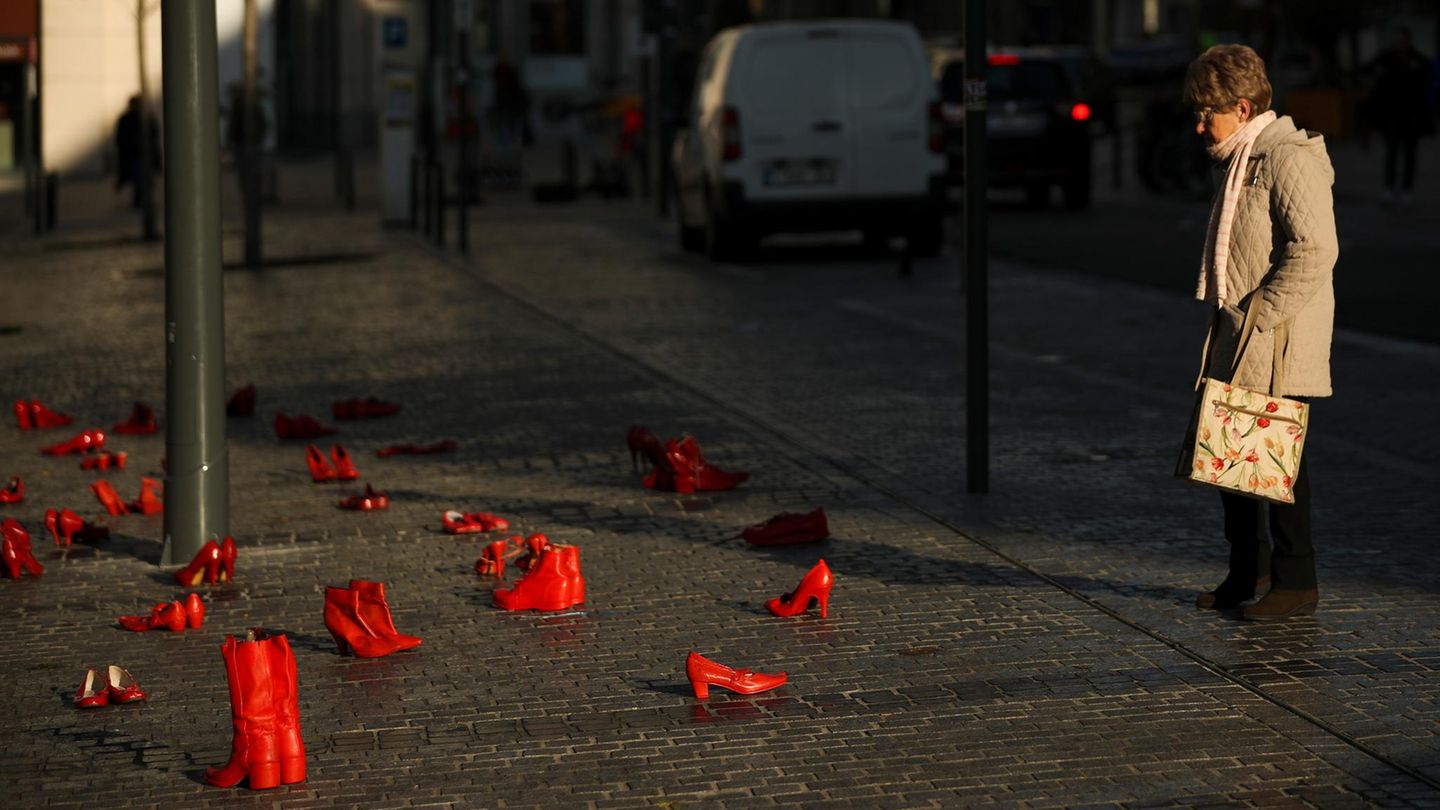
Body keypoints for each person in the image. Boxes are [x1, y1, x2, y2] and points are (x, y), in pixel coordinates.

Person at [1183, 44, 1338, 621]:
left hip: (1278, 337)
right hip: (1241, 331)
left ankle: (1297, 582)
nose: (1200, 125)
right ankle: (1248, 571)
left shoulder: (1284, 157)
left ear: (1243, 108)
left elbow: (1317, 249)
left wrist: (1261, 313)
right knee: (1234, 461)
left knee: (1281, 465)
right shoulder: (1243, 158)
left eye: (1208, 113)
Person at [1363, 28, 1434, 206]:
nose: (1400, 43)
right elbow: (1368, 70)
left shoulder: (1417, 60)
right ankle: (1389, 188)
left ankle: (1406, 189)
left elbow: (1427, 78)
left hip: (1411, 115)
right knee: (1392, 152)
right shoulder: (1387, 58)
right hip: (1391, 115)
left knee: (1410, 154)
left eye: (1403, 40)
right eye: (1397, 40)